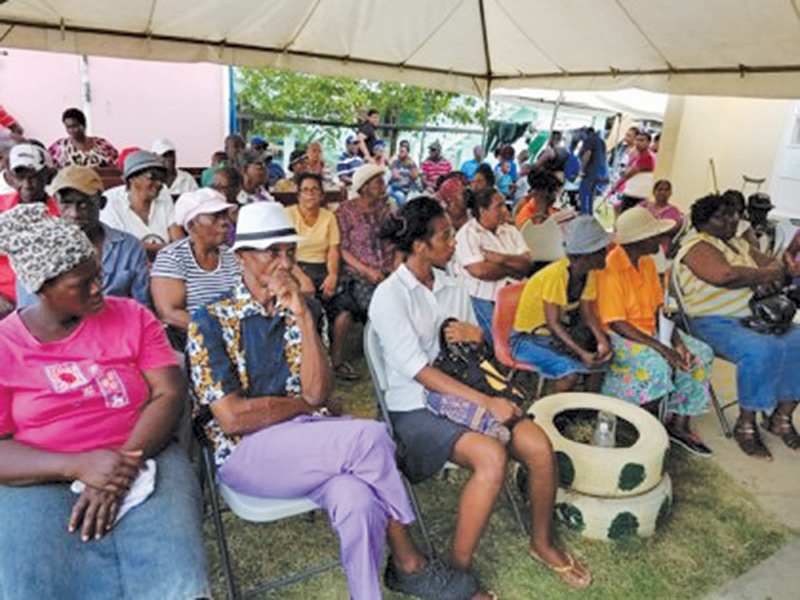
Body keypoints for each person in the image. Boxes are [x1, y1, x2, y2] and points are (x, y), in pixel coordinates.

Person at [187, 201, 476, 600]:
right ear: (241, 256)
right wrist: (303, 406)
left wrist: (304, 317)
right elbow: (233, 419)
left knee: (355, 498)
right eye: (273, 251)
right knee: (371, 437)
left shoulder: (303, 310)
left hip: (308, 440)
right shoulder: (210, 320)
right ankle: (410, 559)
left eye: (289, 250)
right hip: (243, 453)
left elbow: (320, 393)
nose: (284, 261)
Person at [370, 197, 593, 590]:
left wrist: (479, 338)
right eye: (444, 236)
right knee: (491, 457)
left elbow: (480, 354)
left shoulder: (450, 286)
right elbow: (419, 373)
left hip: (465, 392)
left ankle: (541, 543)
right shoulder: (390, 296)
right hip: (413, 408)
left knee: (539, 447)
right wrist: (487, 402)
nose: (453, 241)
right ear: (420, 246)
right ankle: (457, 574)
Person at [0, 204, 209, 599]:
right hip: (41, 473)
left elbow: (169, 392)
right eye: (83, 284)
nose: (100, 287)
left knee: (175, 573)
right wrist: (78, 465)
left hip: (145, 451)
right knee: (34, 578)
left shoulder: (132, 316)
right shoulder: (5, 346)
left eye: (97, 275)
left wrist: (120, 466)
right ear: (42, 287)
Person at [675, 193, 800, 459]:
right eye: (722, 216)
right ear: (704, 222)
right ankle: (746, 424)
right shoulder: (696, 245)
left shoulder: (737, 243)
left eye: (733, 215)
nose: (732, 221)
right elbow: (724, 275)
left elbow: (774, 263)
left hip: (751, 316)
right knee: (761, 349)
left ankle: (781, 418)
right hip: (709, 319)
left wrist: (764, 272)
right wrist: (763, 274)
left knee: (796, 340)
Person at [597, 207, 713, 456]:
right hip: (621, 337)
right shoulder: (611, 267)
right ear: (638, 241)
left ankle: (678, 424)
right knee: (657, 364)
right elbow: (616, 322)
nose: (660, 240)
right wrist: (661, 348)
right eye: (654, 236)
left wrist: (677, 342)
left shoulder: (648, 263)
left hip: (651, 333)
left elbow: (660, 308)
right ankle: (642, 428)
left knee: (700, 353)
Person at [16, 166, 149, 309]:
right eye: (66, 203)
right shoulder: (35, 250)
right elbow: (28, 313)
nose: (74, 214)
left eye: (84, 204)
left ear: (102, 203)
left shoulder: (128, 247)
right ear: (56, 203)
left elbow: (142, 308)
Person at [511, 216, 611, 393]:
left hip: (553, 336)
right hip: (528, 339)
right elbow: (553, 323)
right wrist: (581, 353)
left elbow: (587, 313)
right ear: (586, 256)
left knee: (601, 363)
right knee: (570, 372)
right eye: (601, 250)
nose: (606, 253)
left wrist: (602, 341)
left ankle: (588, 409)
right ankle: (553, 413)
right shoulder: (556, 275)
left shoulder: (589, 273)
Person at [334, 164, 397, 380]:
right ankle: (343, 360)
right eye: (378, 181)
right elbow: (341, 248)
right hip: (358, 271)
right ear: (365, 186)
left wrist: (394, 268)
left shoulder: (386, 208)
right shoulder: (346, 211)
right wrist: (368, 271)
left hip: (388, 269)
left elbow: (396, 240)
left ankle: (394, 355)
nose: (383, 185)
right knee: (373, 304)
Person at [151, 188, 240, 336]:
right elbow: (169, 313)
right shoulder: (173, 256)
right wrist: (218, 331)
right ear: (191, 225)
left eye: (225, 215)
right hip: (194, 338)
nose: (225, 222)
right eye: (215, 216)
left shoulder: (231, 255)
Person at [453, 188, 532, 344]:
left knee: (536, 330)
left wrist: (500, 259)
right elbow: (480, 271)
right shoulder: (468, 234)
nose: (505, 211)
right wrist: (513, 268)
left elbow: (527, 264)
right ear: (483, 211)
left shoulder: (510, 230)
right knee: (506, 340)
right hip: (484, 295)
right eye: (499, 206)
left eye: (504, 205)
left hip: (516, 291)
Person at [0, 144, 60, 314]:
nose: (27, 184)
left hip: (46, 305)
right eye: (20, 176)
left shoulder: (65, 214)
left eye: (34, 176)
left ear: (49, 177)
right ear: (10, 179)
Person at [100, 151, 183, 260]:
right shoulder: (111, 201)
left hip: (165, 266)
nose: (159, 184)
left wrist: (150, 249)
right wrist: (167, 249)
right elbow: (119, 246)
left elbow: (179, 242)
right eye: (152, 177)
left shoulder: (164, 195)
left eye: (162, 178)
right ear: (132, 178)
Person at [286, 173, 342, 320]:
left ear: (321, 195)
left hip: (321, 267)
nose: (310, 193)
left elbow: (333, 250)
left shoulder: (329, 217)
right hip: (294, 267)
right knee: (308, 303)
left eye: (314, 189)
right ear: (298, 195)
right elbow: (285, 253)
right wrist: (302, 278)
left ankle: (332, 341)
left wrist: (332, 275)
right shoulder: (288, 215)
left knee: (340, 304)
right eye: (305, 190)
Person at [47, 108, 119, 168]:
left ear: (84, 125)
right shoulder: (59, 147)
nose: (72, 130)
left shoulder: (101, 144)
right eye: (68, 127)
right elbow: (47, 163)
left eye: (75, 126)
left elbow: (116, 164)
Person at [611, 131, 655, 213]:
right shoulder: (640, 155)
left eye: (642, 140)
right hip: (634, 192)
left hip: (637, 194)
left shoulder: (647, 156)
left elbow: (629, 174)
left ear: (649, 142)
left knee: (624, 215)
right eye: (637, 140)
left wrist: (616, 185)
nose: (638, 143)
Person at [578, 126, 606, 215]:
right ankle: (590, 213)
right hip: (599, 171)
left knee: (584, 192)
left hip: (590, 171)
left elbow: (587, 154)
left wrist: (581, 169)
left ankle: (584, 213)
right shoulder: (602, 141)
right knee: (591, 194)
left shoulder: (589, 140)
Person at [389, 140, 420, 205]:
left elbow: (414, 176)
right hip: (395, 187)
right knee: (398, 195)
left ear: (407, 152)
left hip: (407, 189)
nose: (401, 153)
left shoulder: (412, 163)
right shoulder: (395, 162)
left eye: (403, 151)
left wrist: (402, 174)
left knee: (404, 197)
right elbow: (394, 176)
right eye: (400, 151)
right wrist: (406, 175)